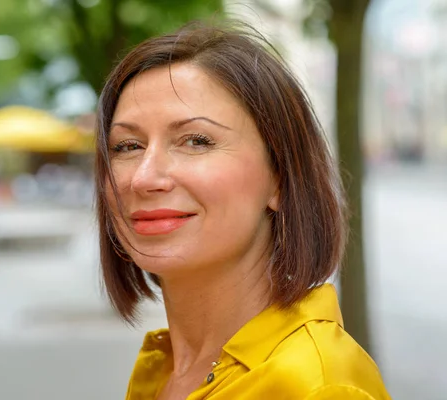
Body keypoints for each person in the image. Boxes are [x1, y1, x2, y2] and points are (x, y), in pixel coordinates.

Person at [95, 20, 390, 400]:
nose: (144, 177)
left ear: (280, 178)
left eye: (196, 141)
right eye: (127, 146)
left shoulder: (317, 386)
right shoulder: (164, 373)